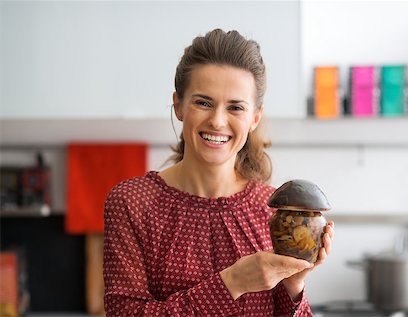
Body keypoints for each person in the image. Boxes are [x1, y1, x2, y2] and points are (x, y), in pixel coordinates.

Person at [103, 28, 335, 317]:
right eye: (203, 102)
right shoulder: (132, 203)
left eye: (235, 107)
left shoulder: (272, 210)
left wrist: (294, 284)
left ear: (254, 118)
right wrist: (232, 284)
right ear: (178, 105)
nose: (217, 121)